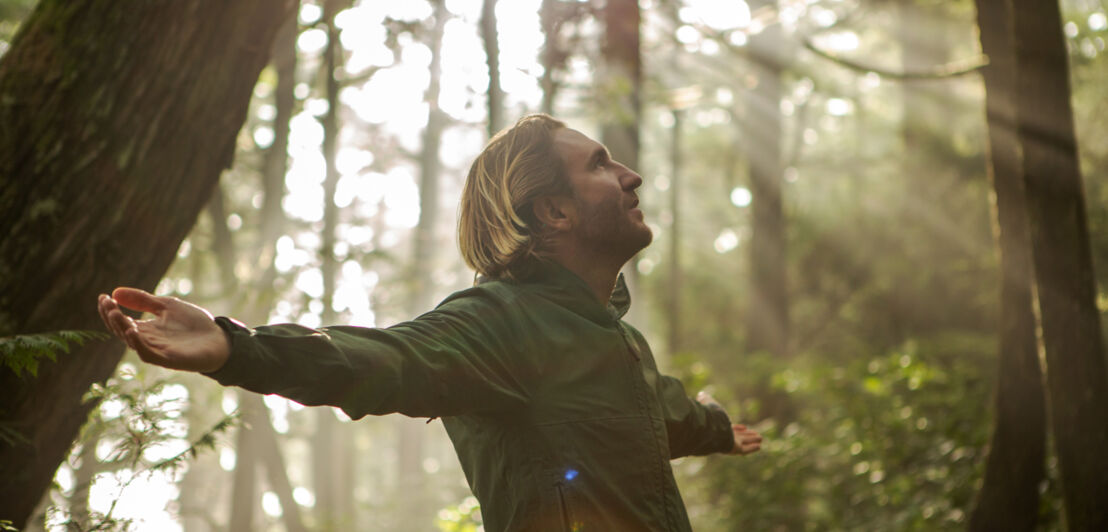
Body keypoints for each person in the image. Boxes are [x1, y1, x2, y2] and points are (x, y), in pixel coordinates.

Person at [97, 114, 762, 531]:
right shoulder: (501, 324)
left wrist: (716, 430)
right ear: (554, 213)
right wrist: (236, 348)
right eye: (599, 164)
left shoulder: (620, 342)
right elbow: (389, 360)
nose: (631, 176)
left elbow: (656, 405)